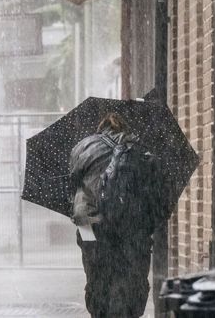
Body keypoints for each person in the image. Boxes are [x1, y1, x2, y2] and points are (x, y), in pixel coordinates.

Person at [69, 112, 159, 318]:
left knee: (95, 271)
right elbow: (154, 192)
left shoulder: (84, 146)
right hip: (129, 222)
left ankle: (99, 308)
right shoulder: (140, 148)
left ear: (101, 128)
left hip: (89, 224)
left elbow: (72, 182)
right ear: (123, 128)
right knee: (129, 273)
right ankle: (127, 309)